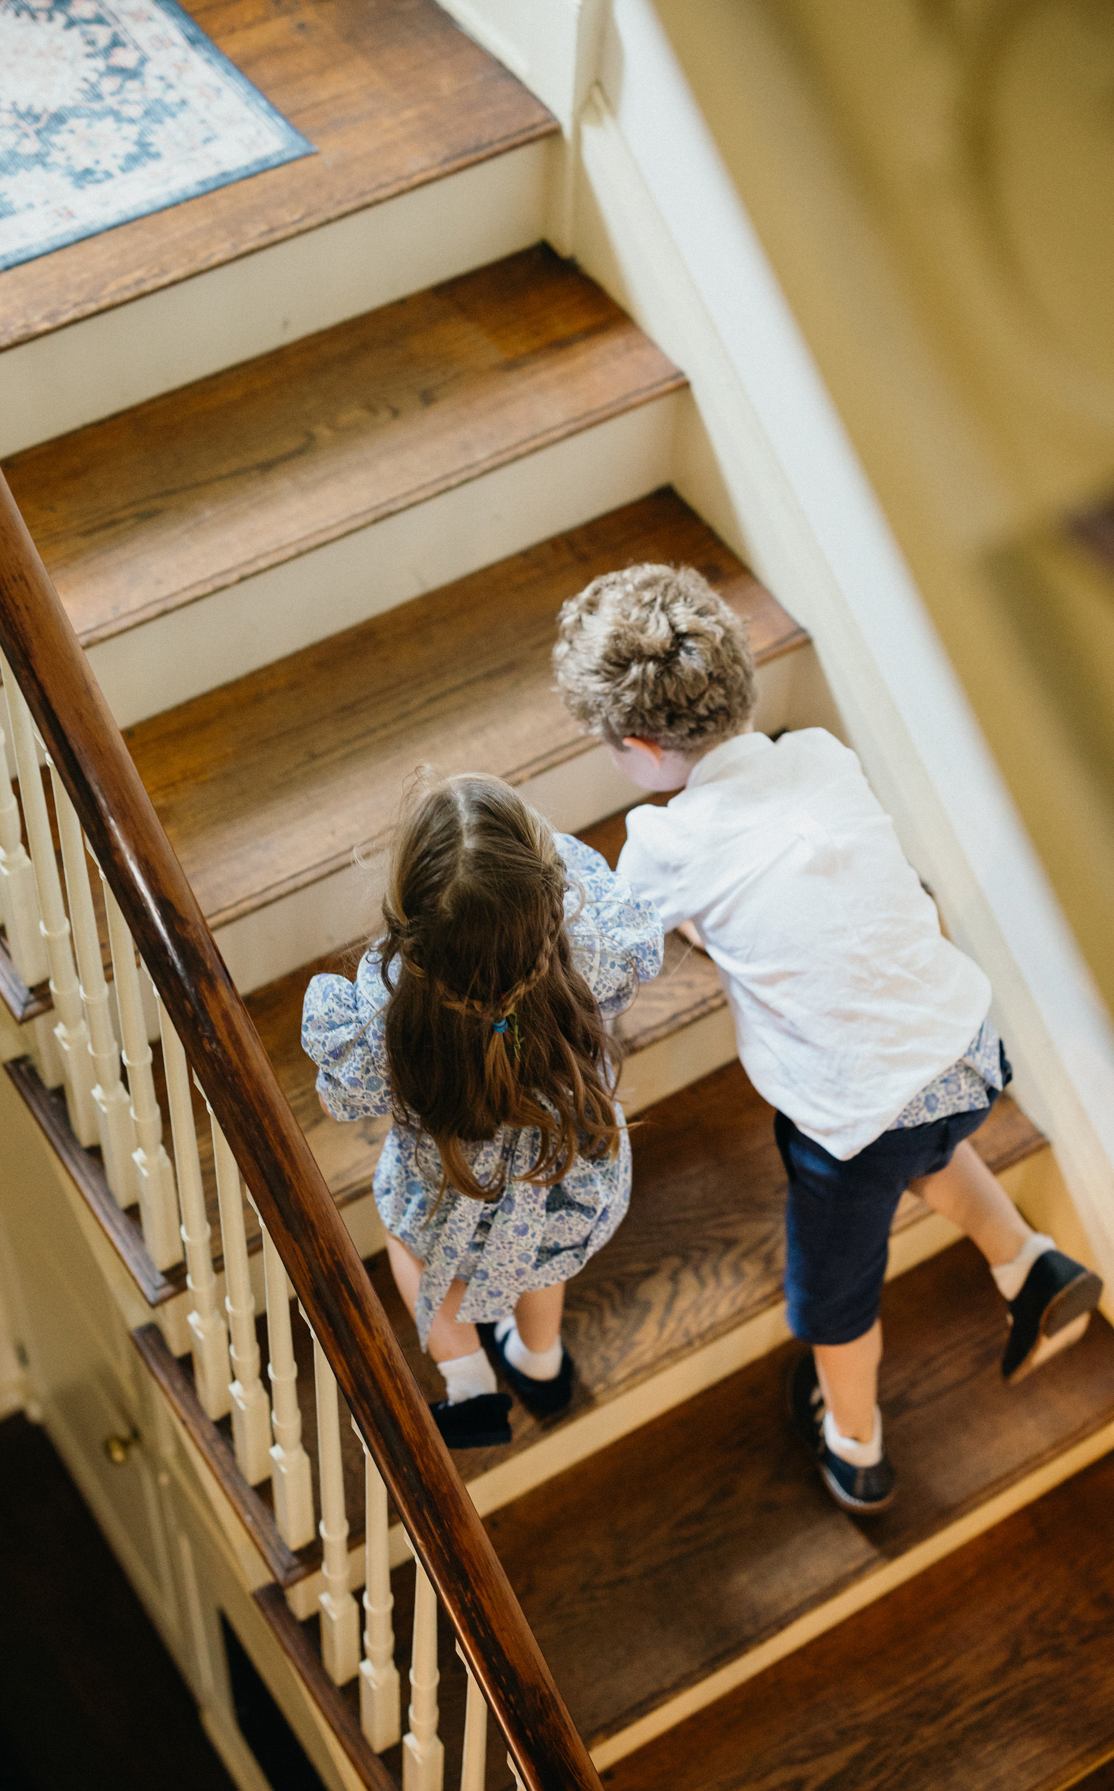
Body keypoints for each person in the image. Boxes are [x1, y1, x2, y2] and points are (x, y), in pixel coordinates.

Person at [552, 561, 1103, 1514]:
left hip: (849, 1116)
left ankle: (854, 1441)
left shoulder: (664, 848)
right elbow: (777, 874)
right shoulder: (817, 755)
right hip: (961, 1044)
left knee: (836, 1293)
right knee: (933, 1144)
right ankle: (1027, 1259)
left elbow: (611, 957)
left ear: (638, 749)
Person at [301, 770, 664, 1448]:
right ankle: (542, 1363)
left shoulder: (381, 1021)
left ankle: (469, 1383)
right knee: (538, 1263)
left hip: (448, 1194)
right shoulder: (594, 955)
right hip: (567, 1178)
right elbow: (607, 921)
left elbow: (342, 1096)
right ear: (550, 897)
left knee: (406, 1239)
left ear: (405, 918)